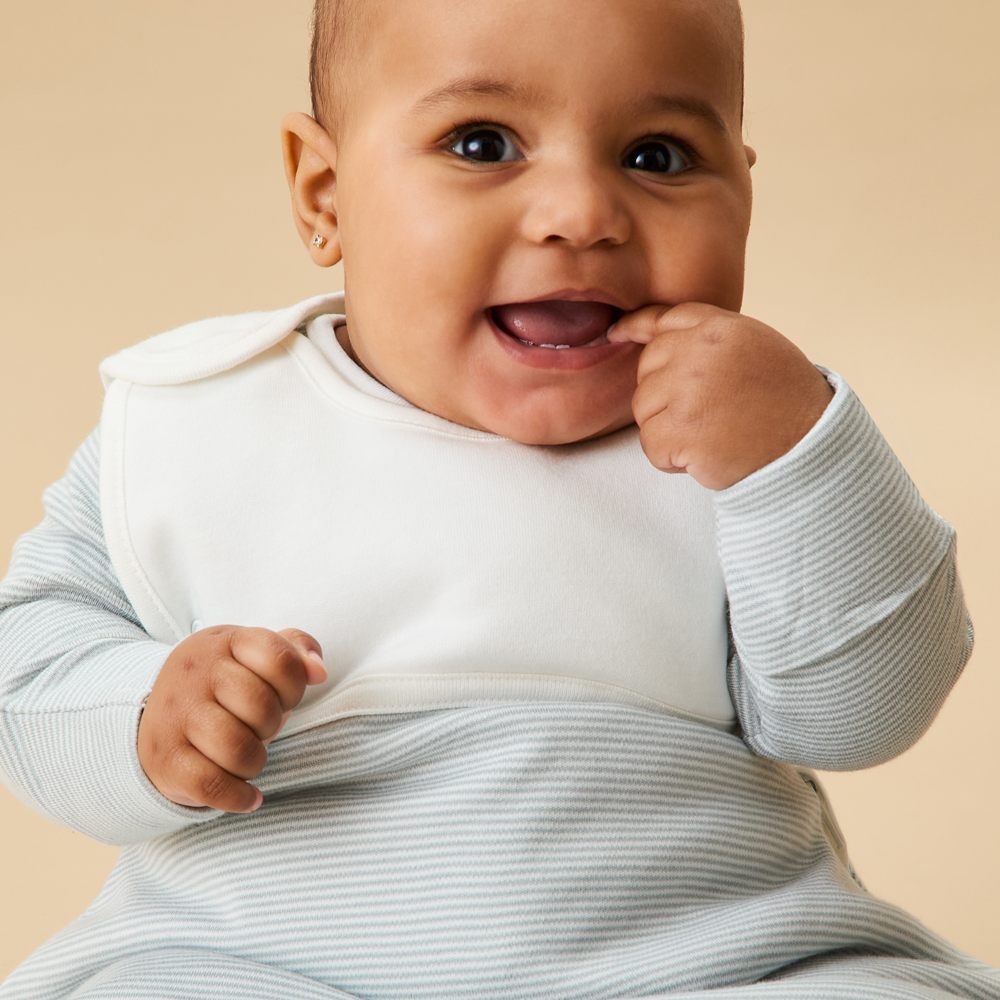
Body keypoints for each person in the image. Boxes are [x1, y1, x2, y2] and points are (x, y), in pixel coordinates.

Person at [1, 1, 997, 997]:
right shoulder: (201, 422)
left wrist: (801, 462)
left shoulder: (746, 443)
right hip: (259, 958)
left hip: (708, 964)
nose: (582, 213)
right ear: (324, 193)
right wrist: (143, 711)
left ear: (742, 192)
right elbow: (27, 671)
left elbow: (865, 714)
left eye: (654, 155)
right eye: (481, 143)